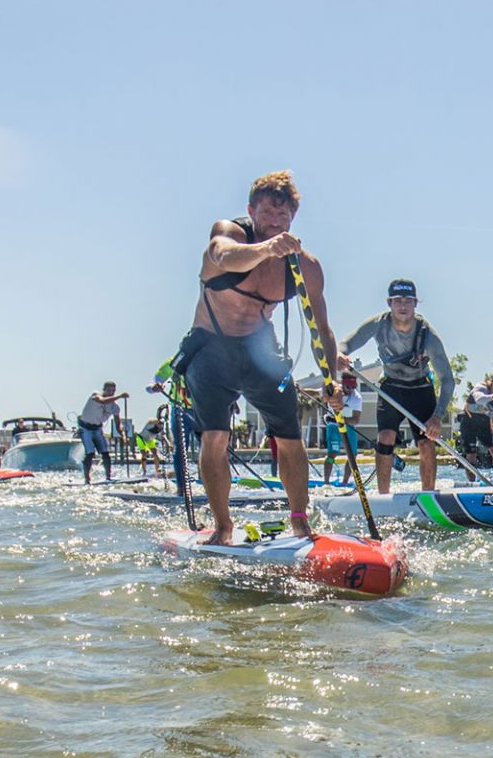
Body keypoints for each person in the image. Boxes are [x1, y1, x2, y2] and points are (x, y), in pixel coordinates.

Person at [185, 170, 339, 544]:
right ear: (251, 210)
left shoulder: (306, 266)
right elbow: (222, 256)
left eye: (283, 215)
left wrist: (333, 380)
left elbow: (322, 328)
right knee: (216, 437)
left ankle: (300, 521)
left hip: (260, 348)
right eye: (268, 211)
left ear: (293, 219)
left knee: (290, 435)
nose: (275, 220)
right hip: (211, 347)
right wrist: (267, 248)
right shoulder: (230, 235)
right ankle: (223, 527)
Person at [338, 278, 455, 493]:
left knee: (426, 442)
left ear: (415, 304)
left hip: (420, 389)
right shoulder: (378, 324)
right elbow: (347, 343)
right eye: (398, 301)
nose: (403, 306)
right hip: (391, 387)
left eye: (408, 301)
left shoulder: (427, 334)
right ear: (389, 302)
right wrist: (340, 354)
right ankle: (383, 497)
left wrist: (437, 416)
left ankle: (428, 495)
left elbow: (448, 379)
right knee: (385, 438)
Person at [457, 370, 493, 481]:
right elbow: (478, 398)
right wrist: (491, 397)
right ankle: (472, 483)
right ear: (492, 383)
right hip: (469, 422)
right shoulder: (481, 387)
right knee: (471, 455)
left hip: (484, 423)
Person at [78, 381, 129, 484]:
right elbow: (102, 401)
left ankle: (108, 477)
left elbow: (118, 424)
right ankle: (87, 479)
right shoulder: (96, 395)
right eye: (109, 390)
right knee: (90, 453)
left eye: (113, 391)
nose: (111, 392)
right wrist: (119, 396)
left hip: (97, 429)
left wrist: (123, 436)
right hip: (85, 428)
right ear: (104, 390)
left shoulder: (115, 407)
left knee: (105, 453)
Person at [318, 371, 362, 485]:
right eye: (348, 387)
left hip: (349, 426)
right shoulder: (333, 390)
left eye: (354, 387)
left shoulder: (357, 397)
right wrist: (300, 389)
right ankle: (326, 483)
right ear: (343, 384)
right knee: (333, 452)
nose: (351, 389)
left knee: (353, 455)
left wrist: (342, 420)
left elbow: (355, 419)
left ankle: (345, 483)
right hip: (333, 425)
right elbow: (315, 392)